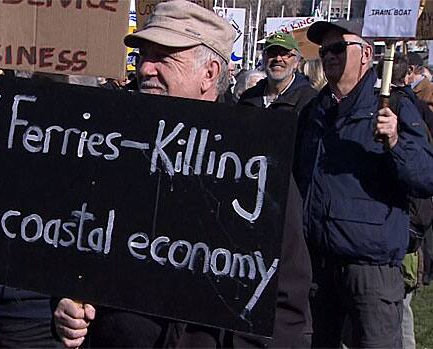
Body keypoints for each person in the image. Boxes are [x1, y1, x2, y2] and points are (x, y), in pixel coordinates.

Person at [53, 1, 312, 347]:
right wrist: (67, 305)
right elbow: (78, 252)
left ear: (209, 73)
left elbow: (285, 309)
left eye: (164, 56)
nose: (145, 68)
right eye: (143, 55)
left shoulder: (256, 166)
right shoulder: (113, 149)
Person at [295, 19, 433, 348]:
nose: (328, 55)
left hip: (370, 270)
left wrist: (396, 143)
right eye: (324, 50)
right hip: (318, 267)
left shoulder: (393, 108)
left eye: (338, 48)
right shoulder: (313, 112)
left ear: (367, 54)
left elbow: (425, 177)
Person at [238, 33, 317, 115]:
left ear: (296, 62)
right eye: (272, 53)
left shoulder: (310, 100)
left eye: (285, 54)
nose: (278, 59)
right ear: (264, 58)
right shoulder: (248, 97)